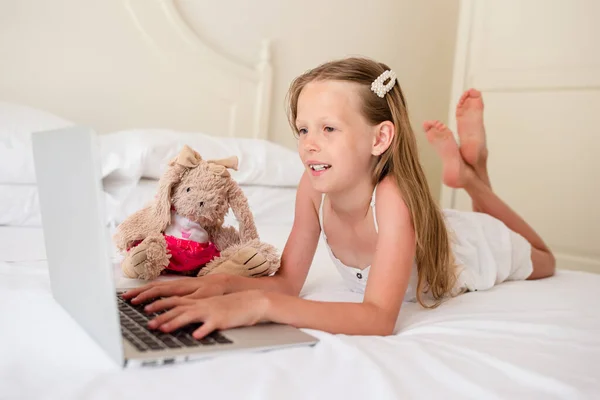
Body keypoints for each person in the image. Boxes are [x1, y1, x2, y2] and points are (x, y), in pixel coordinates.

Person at [122, 57, 555, 339]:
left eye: (328, 129)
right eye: (303, 129)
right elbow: (289, 281)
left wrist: (262, 305)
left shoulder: (393, 199)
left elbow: (379, 318)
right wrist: (218, 286)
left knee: (544, 259)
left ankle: (475, 178)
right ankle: (469, 171)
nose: (309, 144)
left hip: (467, 249)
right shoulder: (312, 189)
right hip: (423, 228)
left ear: (379, 137)